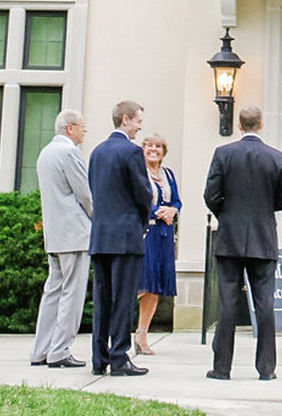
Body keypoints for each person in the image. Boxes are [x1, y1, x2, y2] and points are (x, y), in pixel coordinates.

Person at [203, 105, 282, 381]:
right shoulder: (277, 158)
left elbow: (210, 194)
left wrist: (226, 215)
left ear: (240, 126)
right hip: (263, 236)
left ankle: (222, 368)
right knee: (265, 304)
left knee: (227, 303)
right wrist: (262, 212)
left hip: (230, 237)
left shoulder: (224, 154)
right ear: (261, 125)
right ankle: (266, 369)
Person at [87, 100, 151, 377]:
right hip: (125, 236)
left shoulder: (97, 152)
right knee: (123, 299)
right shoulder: (131, 152)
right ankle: (120, 357)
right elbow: (142, 193)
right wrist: (142, 222)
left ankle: (99, 357)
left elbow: (93, 189)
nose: (139, 127)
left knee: (102, 299)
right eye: (137, 121)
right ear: (124, 120)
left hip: (101, 236)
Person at [29, 109, 92, 369]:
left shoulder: (45, 153)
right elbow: (85, 194)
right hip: (75, 234)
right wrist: (98, 221)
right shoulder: (69, 153)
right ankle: (59, 350)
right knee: (72, 294)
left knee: (53, 291)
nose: (84, 131)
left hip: (54, 235)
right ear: (70, 128)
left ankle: (40, 350)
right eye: (82, 127)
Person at [134, 133, 180, 355]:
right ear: (142, 149)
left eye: (158, 146)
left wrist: (173, 210)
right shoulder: (138, 173)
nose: (154, 149)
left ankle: (142, 335)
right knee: (142, 285)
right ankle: (120, 332)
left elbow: (177, 200)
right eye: (149, 145)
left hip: (165, 235)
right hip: (147, 233)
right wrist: (157, 211)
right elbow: (136, 201)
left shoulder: (168, 174)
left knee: (154, 289)